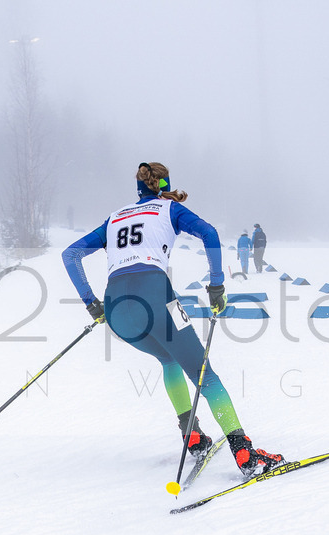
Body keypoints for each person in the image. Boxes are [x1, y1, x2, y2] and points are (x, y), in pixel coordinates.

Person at [61, 162, 285, 478]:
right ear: (164, 184)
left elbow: (70, 255)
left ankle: (192, 436)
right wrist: (217, 285)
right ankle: (243, 449)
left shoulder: (115, 218)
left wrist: (92, 304)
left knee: (168, 359)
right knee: (203, 372)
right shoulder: (169, 208)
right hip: (155, 297)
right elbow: (209, 233)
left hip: (115, 308)